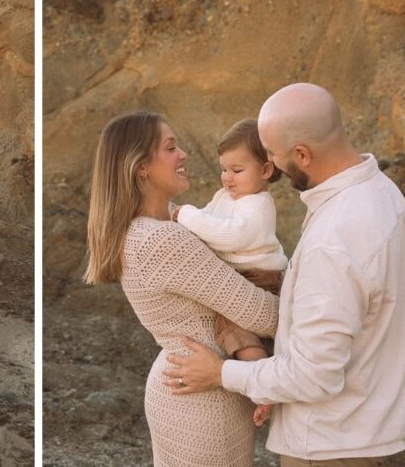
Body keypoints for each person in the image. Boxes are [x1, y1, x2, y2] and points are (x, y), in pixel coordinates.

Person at [165, 83, 405, 467]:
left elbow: (313, 376)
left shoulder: (335, 238)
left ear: (302, 153)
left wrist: (222, 373)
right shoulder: (381, 191)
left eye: (273, 155)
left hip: (328, 444)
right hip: (366, 429)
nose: (272, 166)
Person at [84, 111, 279, 467]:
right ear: (140, 166)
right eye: (171, 147)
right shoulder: (161, 239)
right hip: (203, 404)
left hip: (188, 387)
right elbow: (265, 317)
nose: (184, 154)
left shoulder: (160, 223)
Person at [173, 118, 287, 425]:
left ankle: (262, 389)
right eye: (224, 169)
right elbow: (207, 222)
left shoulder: (258, 204)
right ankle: (261, 376)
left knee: (234, 328)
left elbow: (228, 235)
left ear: (265, 171)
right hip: (240, 275)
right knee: (233, 332)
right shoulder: (226, 196)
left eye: (237, 170)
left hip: (261, 277)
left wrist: (182, 213)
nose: (227, 178)